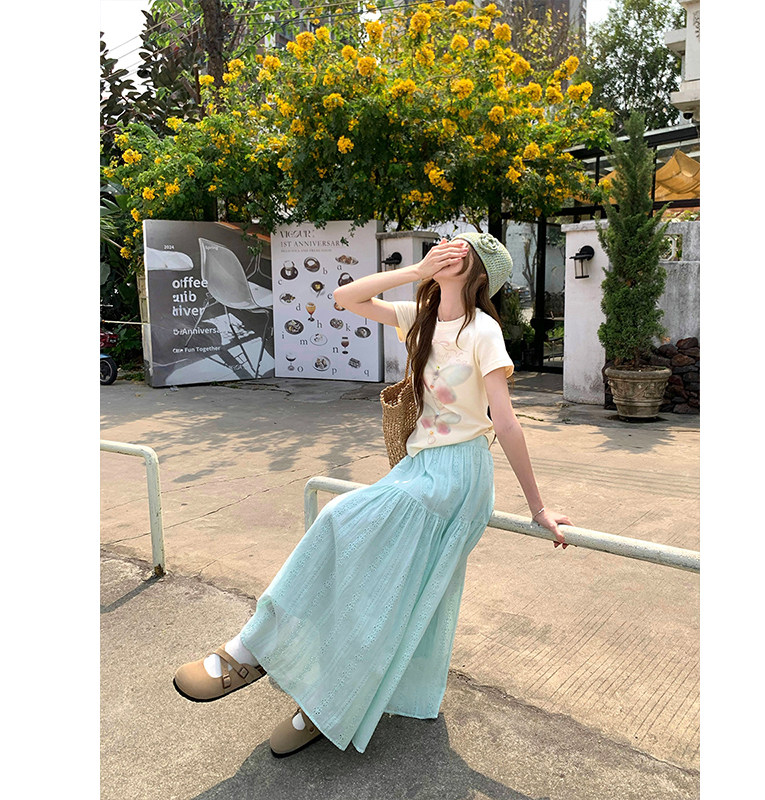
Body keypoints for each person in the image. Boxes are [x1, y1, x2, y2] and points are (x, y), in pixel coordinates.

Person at [173, 232, 574, 757]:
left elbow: (507, 422)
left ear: (478, 272)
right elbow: (345, 297)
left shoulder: (483, 330)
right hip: (418, 466)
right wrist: (416, 271)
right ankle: (317, 690)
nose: (447, 248)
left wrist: (539, 508)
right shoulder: (421, 318)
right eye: (446, 242)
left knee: (342, 520)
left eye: (460, 249)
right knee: (370, 584)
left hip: (457, 476)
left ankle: (256, 656)